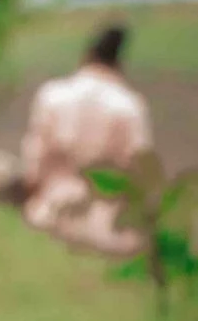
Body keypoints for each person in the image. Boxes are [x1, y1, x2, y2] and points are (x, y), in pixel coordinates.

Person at [19, 24, 153, 257]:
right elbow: (140, 173)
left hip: (50, 215)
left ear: (87, 55)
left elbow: (33, 165)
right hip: (106, 229)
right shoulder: (130, 106)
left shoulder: (53, 95)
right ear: (119, 63)